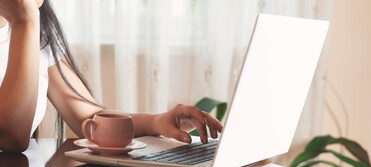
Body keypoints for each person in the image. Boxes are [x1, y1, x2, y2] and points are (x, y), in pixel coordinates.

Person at [0, 0, 222, 152]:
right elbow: (10, 136)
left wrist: (157, 122)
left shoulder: (39, 29)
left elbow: (90, 118)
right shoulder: (28, 21)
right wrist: (26, 20)